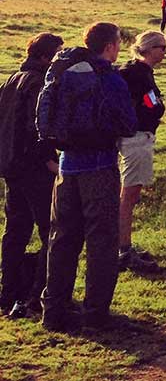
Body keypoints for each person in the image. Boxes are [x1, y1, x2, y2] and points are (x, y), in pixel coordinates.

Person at [40, 23, 137, 332]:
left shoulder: (62, 70)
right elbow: (127, 123)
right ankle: (95, 315)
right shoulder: (109, 76)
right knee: (101, 242)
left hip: (66, 167)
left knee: (62, 240)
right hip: (99, 166)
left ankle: (53, 311)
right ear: (110, 46)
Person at [0, 33, 63, 319]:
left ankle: (9, 291)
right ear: (45, 57)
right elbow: (36, 128)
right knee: (49, 229)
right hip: (34, 169)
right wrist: (49, 160)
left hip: (12, 167)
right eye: (58, 54)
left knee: (15, 231)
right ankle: (37, 294)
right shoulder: (39, 83)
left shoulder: (12, 80)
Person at [116, 31, 166, 273]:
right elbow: (153, 106)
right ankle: (123, 248)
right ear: (147, 49)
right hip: (137, 138)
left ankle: (121, 245)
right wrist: (159, 105)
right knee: (129, 194)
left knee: (127, 193)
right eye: (161, 48)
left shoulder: (129, 70)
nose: (164, 53)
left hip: (128, 136)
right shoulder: (140, 74)